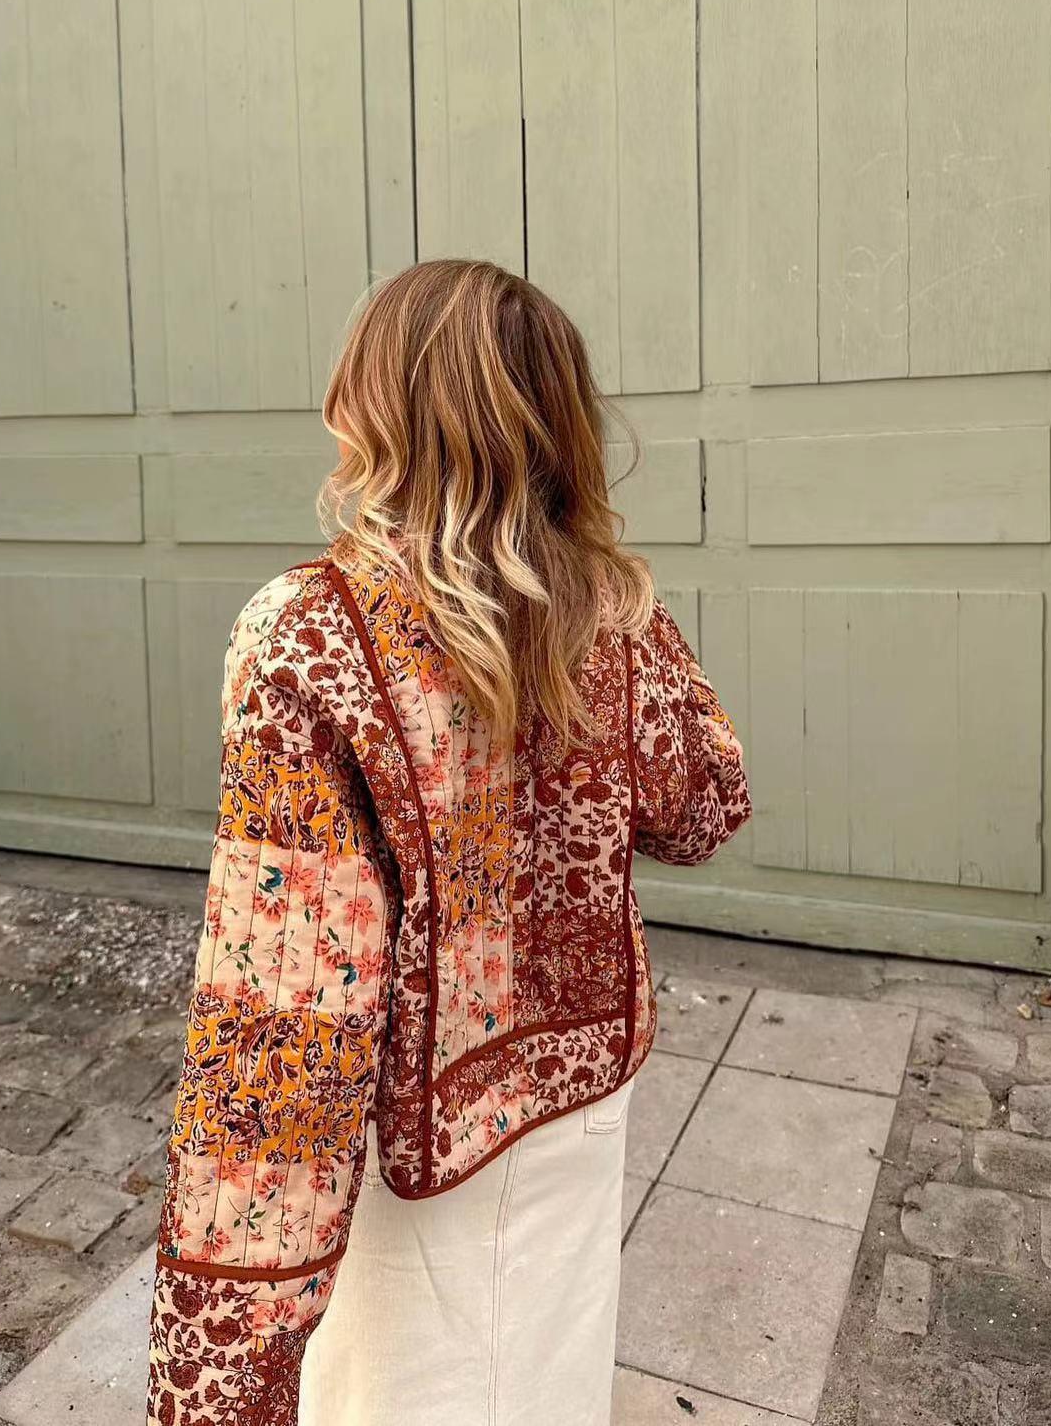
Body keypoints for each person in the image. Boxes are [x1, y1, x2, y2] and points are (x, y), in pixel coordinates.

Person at [146, 260, 752, 1426]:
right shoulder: (609, 613)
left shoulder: (309, 634)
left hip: (415, 1143)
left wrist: (220, 1365)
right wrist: (623, 619)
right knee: (545, 1380)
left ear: (372, 405)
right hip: (577, 1097)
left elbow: (281, 1018)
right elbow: (706, 807)